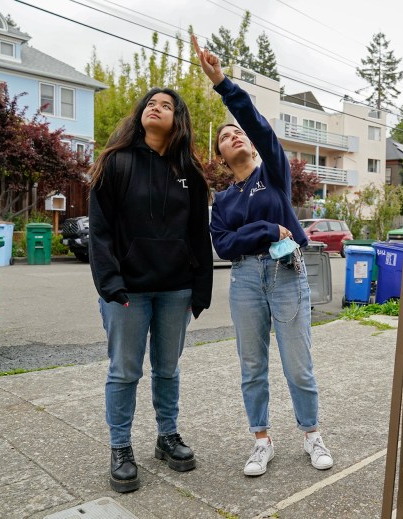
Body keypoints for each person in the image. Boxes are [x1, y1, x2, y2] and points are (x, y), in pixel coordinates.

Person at [192, 35, 333, 477]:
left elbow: (258, 124)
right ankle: (261, 440)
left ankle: (311, 434)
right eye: (224, 137)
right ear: (220, 155)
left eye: (238, 132)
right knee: (252, 365)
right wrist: (266, 229)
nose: (233, 135)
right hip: (245, 281)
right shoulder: (223, 199)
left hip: (286, 274)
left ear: (251, 145)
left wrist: (222, 83)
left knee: (298, 363)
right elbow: (224, 245)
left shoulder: (273, 173)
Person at [88, 87, 213, 493]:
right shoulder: (117, 162)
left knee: (168, 369)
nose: (157, 108)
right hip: (128, 292)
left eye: (167, 105)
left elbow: (198, 235)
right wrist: (110, 284)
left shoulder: (189, 173)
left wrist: (200, 290)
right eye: (151, 103)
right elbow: (101, 231)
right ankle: (120, 448)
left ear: (178, 120)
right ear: (141, 113)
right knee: (124, 372)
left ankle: (167, 436)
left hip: (175, 290)